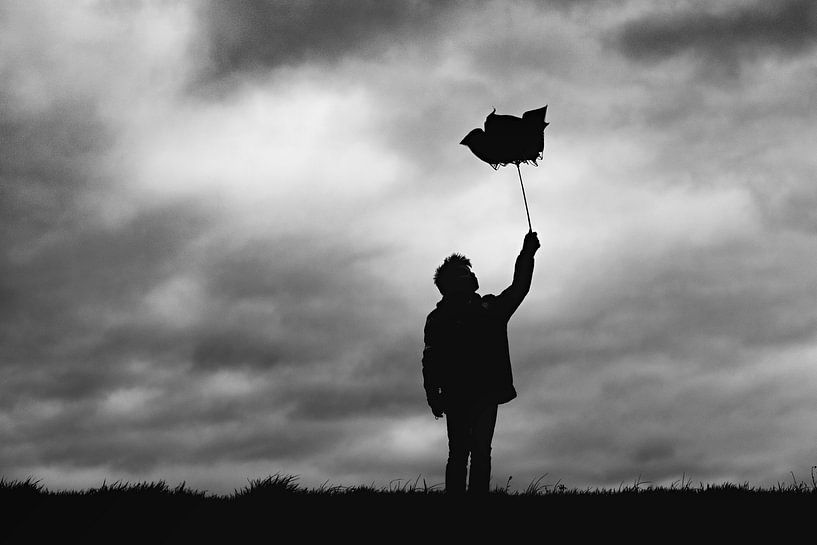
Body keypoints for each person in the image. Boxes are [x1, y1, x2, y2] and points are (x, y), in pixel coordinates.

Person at [422, 231, 540, 494]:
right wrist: (432, 394)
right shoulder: (455, 316)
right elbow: (430, 360)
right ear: (452, 283)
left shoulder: (486, 309)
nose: (472, 275)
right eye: (465, 272)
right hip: (463, 394)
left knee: (475, 453)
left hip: (481, 394)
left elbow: (518, 288)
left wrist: (527, 254)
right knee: (463, 454)